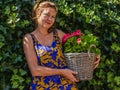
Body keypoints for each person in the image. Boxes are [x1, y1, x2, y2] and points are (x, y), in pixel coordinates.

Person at [23, 1, 100, 90]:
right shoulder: (29, 38)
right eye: (47, 15)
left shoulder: (58, 35)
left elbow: (80, 45)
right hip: (42, 86)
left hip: (66, 85)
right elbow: (35, 70)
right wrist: (63, 72)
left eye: (53, 17)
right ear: (38, 13)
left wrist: (95, 55)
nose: (49, 19)